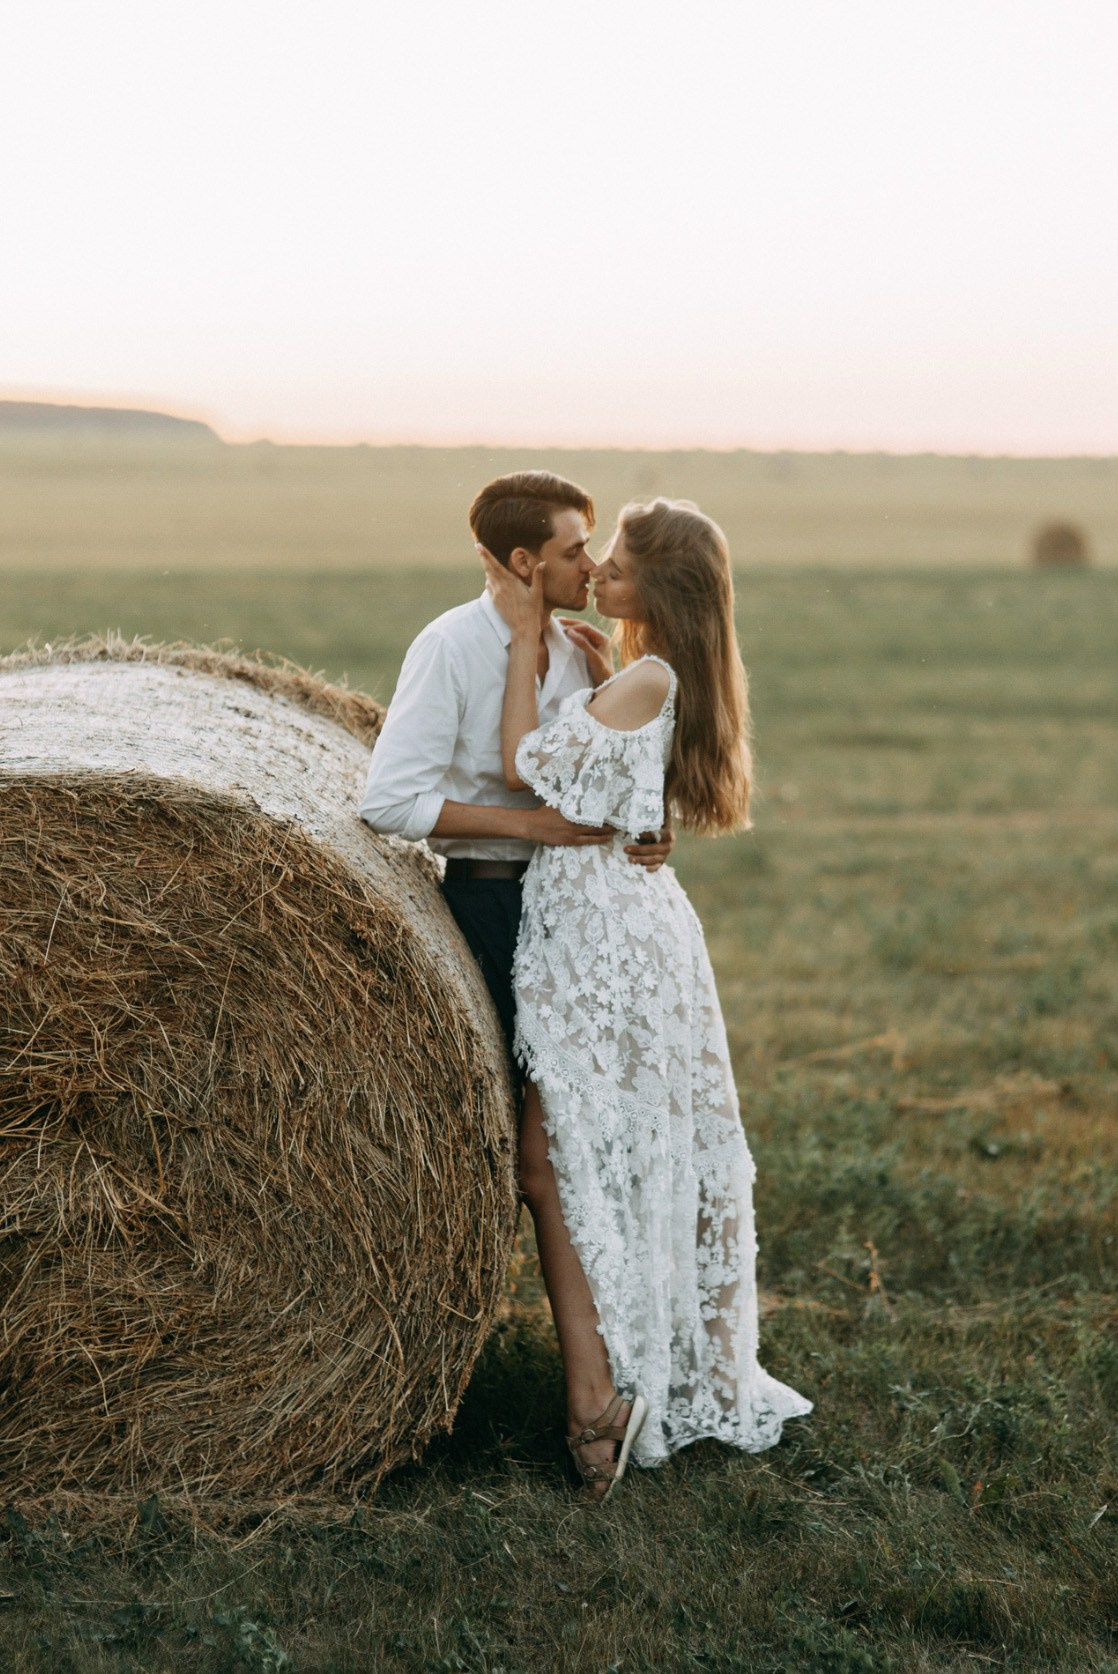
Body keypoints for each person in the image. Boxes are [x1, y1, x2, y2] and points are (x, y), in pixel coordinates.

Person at [479, 497, 812, 1501]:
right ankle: (619, 1382)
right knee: (590, 1151)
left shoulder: (652, 672)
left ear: (658, 588)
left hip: (603, 942)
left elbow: (521, 767)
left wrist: (525, 643)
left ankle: (615, 1396)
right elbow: (629, 791)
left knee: (570, 1151)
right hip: (617, 923)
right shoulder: (649, 673)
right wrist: (581, 659)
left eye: (617, 567)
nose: (601, 575)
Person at [359, 470, 672, 1059]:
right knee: (507, 1085)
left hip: (579, 908)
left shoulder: (579, 652)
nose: (592, 566)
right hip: (491, 905)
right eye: (575, 550)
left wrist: (651, 831)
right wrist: (526, 827)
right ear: (526, 563)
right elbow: (389, 803)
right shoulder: (450, 646)